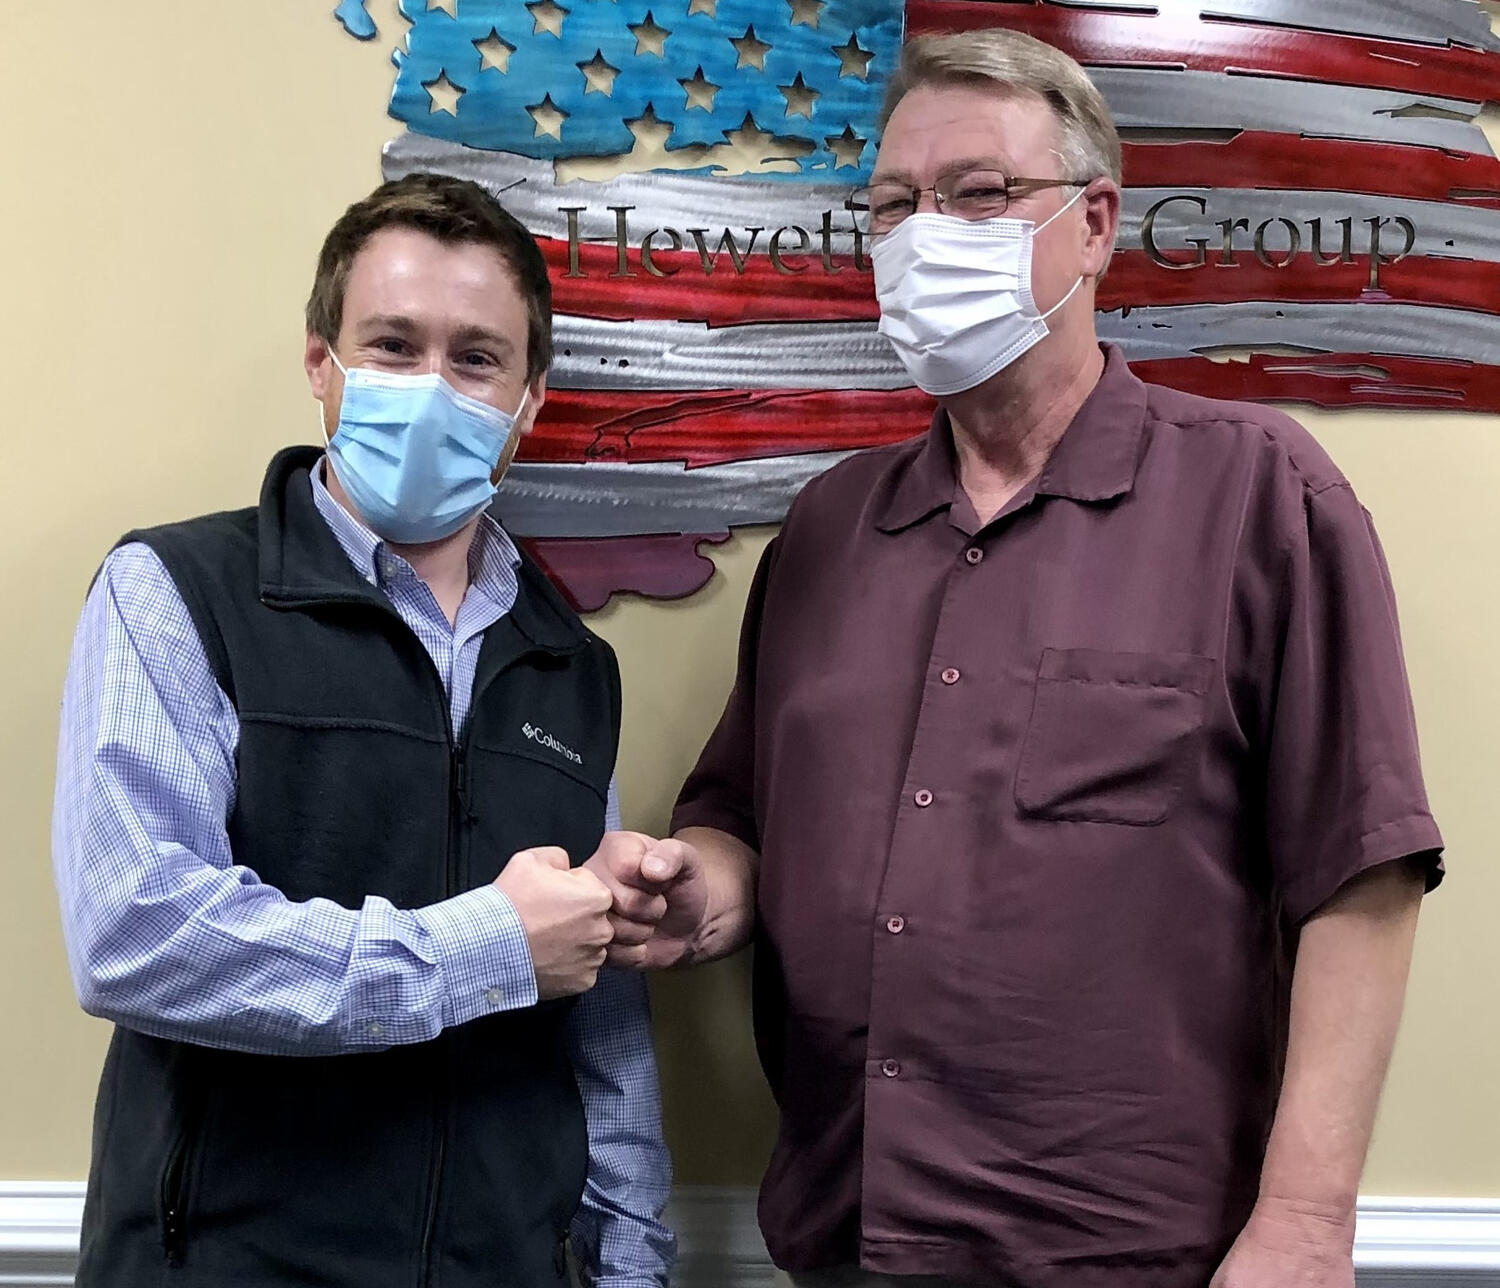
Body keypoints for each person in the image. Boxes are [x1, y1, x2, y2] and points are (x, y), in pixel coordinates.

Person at [589, 28, 1445, 1288]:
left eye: (978, 192)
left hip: (1137, 1253)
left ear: (1094, 225)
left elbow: (1361, 869)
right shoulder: (830, 527)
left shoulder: (1259, 495)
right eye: (894, 205)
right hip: (847, 1233)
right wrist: (694, 892)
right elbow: (743, 825)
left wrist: (1309, 1224)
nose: (925, 233)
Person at [52, 173, 673, 1288]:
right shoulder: (176, 592)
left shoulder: (571, 664)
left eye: (476, 358)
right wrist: (482, 948)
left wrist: (634, 1260)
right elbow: (135, 935)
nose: (431, 386)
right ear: (320, 363)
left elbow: (602, 1015)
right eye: (392, 345)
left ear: (528, 401)